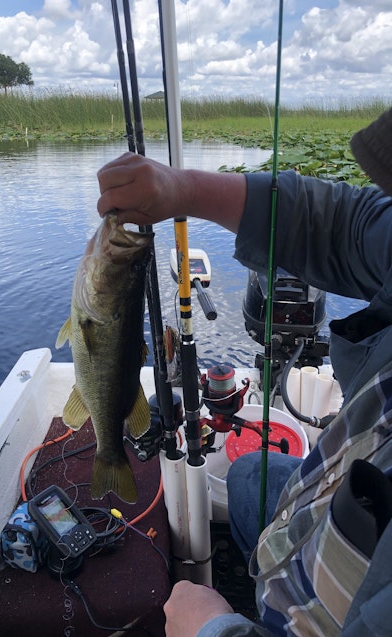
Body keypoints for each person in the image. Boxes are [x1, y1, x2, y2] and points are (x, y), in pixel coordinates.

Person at [97, 108, 392, 637]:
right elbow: (349, 224)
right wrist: (183, 189)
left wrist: (211, 627)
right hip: (347, 505)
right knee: (250, 473)